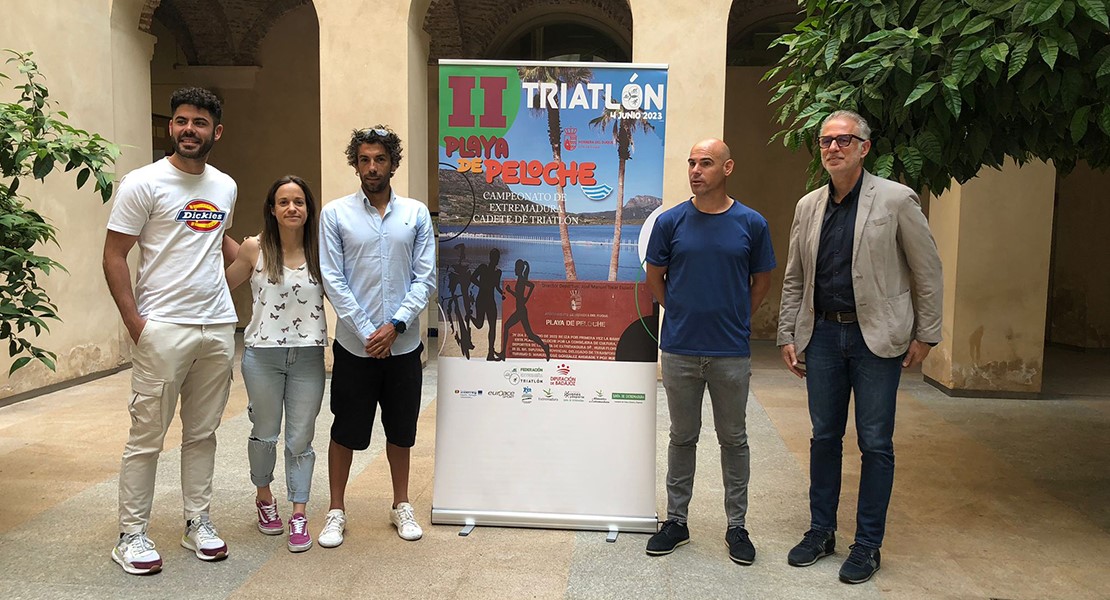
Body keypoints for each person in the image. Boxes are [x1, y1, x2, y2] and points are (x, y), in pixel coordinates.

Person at [777, 110, 942, 584]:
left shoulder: (896, 199)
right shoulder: (808, 205)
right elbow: (795, 278)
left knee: (875, 443)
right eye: (826, 141)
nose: (833, 148)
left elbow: (927, 270)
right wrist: (788, 332)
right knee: (824, 437)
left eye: (844, 140)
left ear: (864, 148)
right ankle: (820, 532)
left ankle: (867, 545)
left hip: (876, 338)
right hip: (823, 335)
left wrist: (927, 333)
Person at [103, 87, 238, 575]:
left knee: (202, 434)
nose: (188, 129)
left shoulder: (225, 186)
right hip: (162, 328)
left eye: (199, 123)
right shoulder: (143, 183)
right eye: (181, 121)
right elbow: (114, 255)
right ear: (171, 127)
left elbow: (217, 243)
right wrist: (136, 323)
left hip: (218, 327)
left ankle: (197, 523)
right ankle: (131, 534)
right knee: (147, 436)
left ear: (215, 132)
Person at [644, 138, 776, 565]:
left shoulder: (751, 223)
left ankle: (737, 527)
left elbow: (761, 282)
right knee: (682, 437)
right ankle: (676, 522)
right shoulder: (671, 222)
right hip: (680, 350)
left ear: (728, 168)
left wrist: (737, 318)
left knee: (733, 439)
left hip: (730, 353)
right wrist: (680, 311)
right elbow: (655, 277)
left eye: (706, 163)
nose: (696, 170)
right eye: (691, 163)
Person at [316, 126, 435, 548]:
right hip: (355, 346)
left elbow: (425, 279)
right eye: (364, 159)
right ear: (355, 163)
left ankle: (401, 504)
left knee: (401, 430)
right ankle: (335, 510)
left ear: (393, 163)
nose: (371, 167)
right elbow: (333, 278)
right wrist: (369, 331)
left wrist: (395, 326)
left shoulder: (416, 214)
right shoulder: (335, 214)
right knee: (345, 429)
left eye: (379, 159)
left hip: (403, 346)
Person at [225, 175, 326, 553]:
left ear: (308, 209)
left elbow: (345, 294)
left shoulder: (321, 251)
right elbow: (222, 287)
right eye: (283, 202)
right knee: (265, 431)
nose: (291, 208)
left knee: (301, 437)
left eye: (298, 201)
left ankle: (299, 512)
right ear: (272, 209)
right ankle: (265, 498)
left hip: (309, 355)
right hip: (262, 356)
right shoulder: (254, 249)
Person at [498, 259, 550, 360]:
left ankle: (503, 354)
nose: (514, 270)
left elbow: (525, 291)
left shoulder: (521, 280)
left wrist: (510, 291)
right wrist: (525, 297)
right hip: (521, 310)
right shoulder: (521, 279)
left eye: (516, 268)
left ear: (519, 269)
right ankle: (544, 347)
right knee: (529, 334)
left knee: (507, 326)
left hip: (521, 310)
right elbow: (530, 287)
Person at [470, 248, 504, 360]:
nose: (497, 260)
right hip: (481, 299)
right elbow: (472, 278)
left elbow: (497, 286)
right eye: (495, 257)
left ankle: (490, 354)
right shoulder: (483, 268)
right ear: (491, 258)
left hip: (491, 301)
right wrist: (482, 285)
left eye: (498, 258)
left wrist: (503, 294)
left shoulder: (498, 272)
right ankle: (469, 316)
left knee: (493, 327)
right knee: (479, 325)